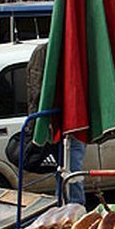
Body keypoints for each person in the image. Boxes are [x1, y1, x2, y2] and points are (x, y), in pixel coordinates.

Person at [25, 43, 86, 204]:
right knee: (69, 170)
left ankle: (68, 206)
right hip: (57, 122)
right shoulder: (45, 52)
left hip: (71, 122)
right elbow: (35, 93)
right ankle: (72, 206)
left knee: (69, 169)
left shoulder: (78, 48)